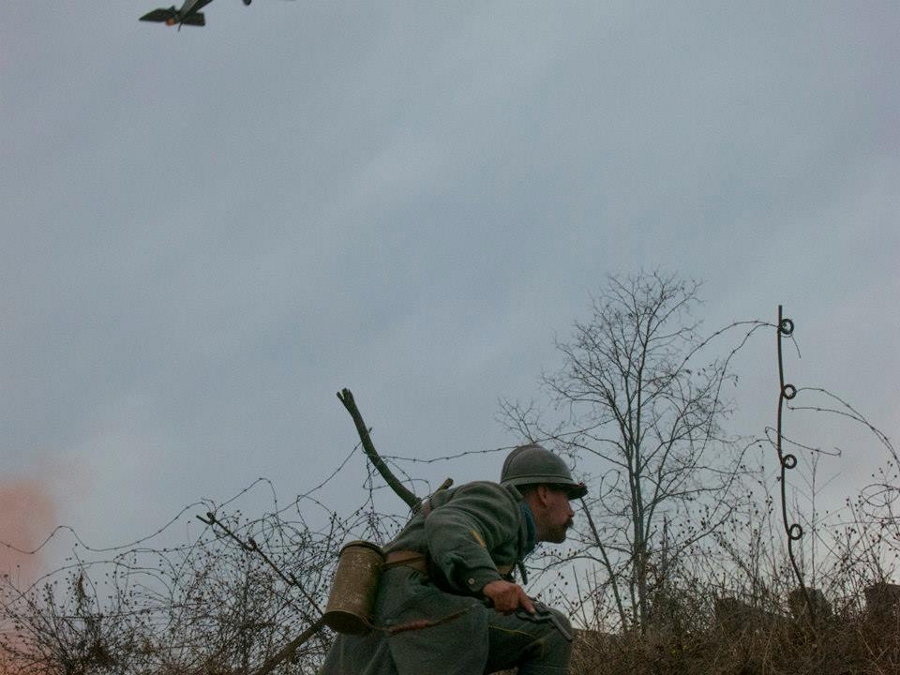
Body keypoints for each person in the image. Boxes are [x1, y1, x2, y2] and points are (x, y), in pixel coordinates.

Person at [319, 443, 587, 675]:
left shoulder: (505, 531)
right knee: (552, 630)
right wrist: (488, 581)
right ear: (544, 493)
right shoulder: (501, 501)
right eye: (568, 496)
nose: (572, 511)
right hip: (411, 616)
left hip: (389, 634)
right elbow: (448, 523)